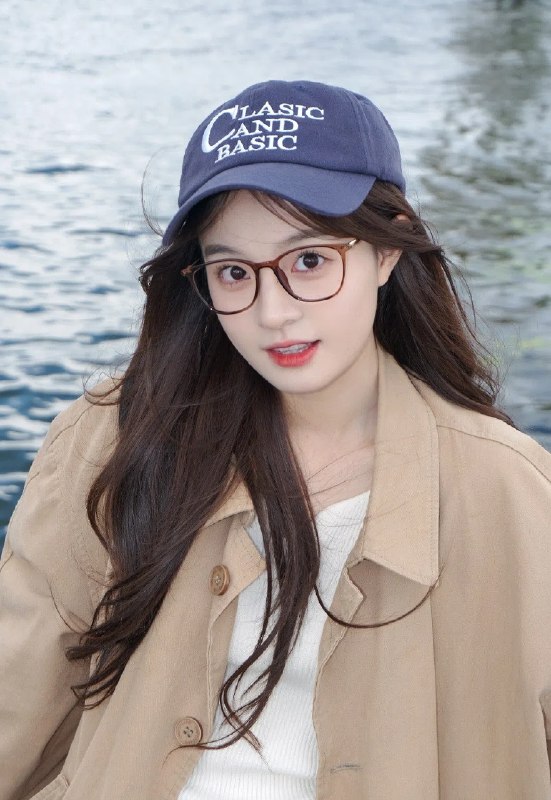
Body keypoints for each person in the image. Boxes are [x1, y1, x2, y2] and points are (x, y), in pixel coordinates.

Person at [1, 79, 550, 800]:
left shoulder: (509, 490)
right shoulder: (111, 438)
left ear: (386, 252)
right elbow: (19, 690)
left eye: (309, 261)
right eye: (234, 272)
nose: (273, 312)